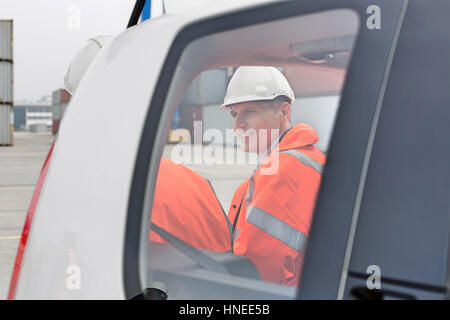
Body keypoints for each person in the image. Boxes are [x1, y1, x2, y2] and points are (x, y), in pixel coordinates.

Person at [222, 66, 326, 286]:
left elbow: (259, 271)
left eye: (250, 111)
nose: (238, 125)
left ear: (284, 112)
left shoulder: (286, 168)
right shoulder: (298, 160)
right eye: (234, 113)